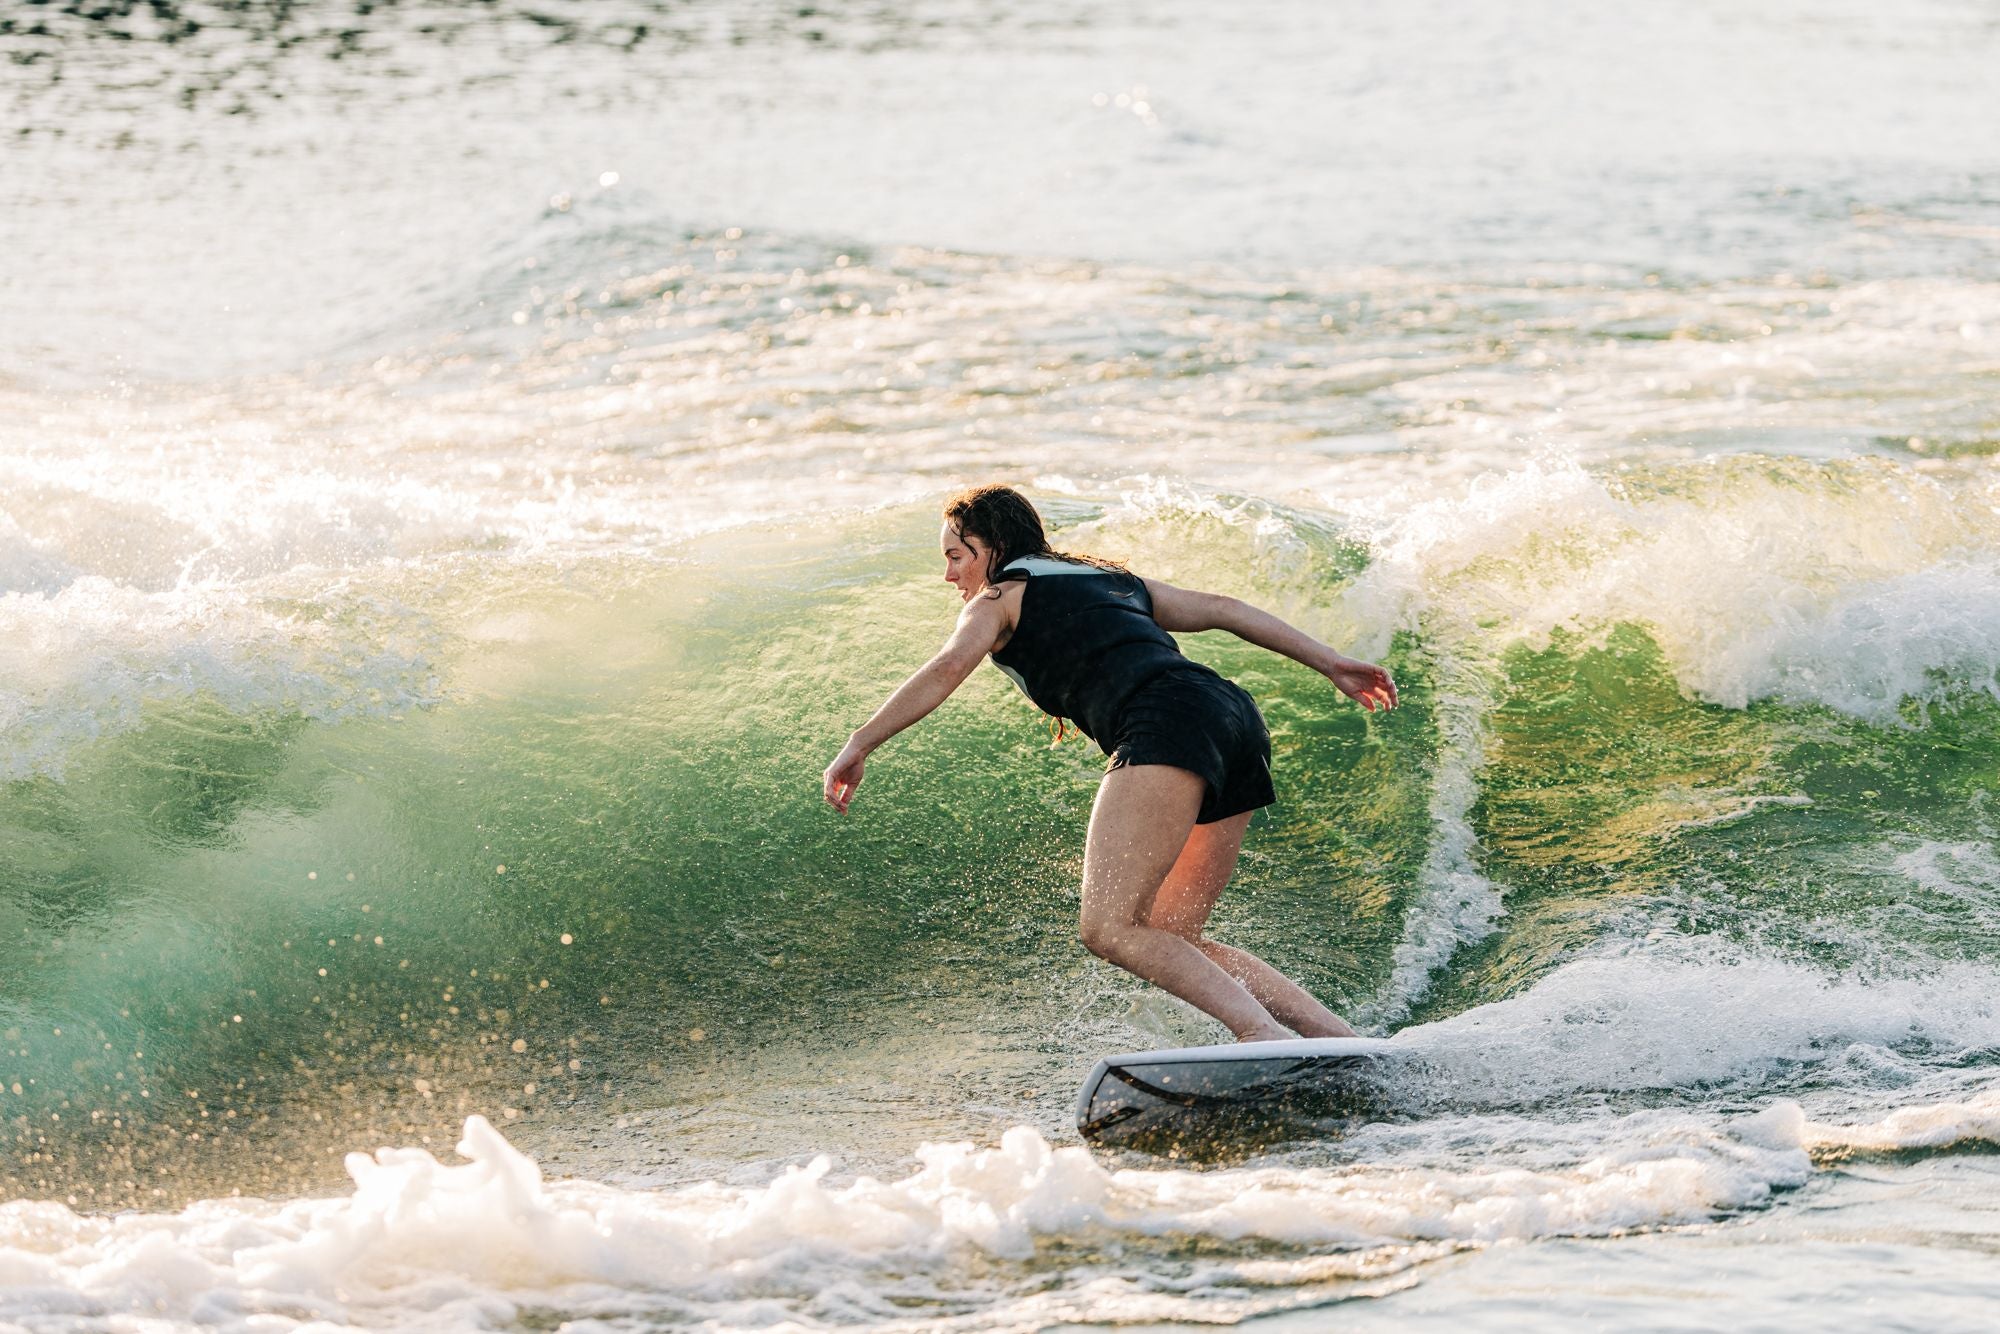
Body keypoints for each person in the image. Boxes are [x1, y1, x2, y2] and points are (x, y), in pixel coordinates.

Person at [821, 485, 1398, 1043]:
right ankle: (1336, 1037)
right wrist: (1331, 663)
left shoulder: (999, 599)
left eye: (955, 556)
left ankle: (1258, 1032)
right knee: (1173, 933)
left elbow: (948, 668)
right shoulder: (1113, 580)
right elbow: (1224, 609)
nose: (950, 575)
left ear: (991, 546)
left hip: (1164, 721)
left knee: (1108, 927)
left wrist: (860, 741)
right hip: (1233, 718)